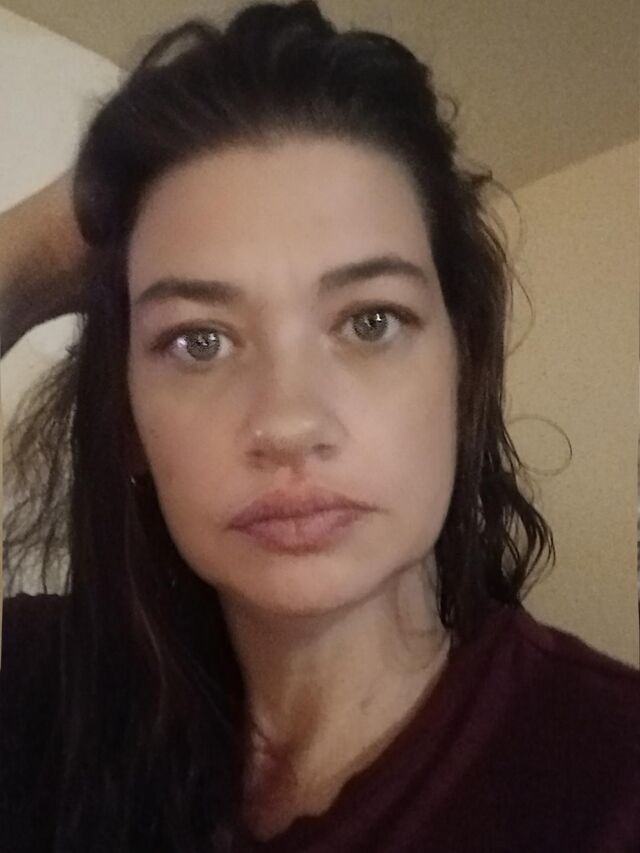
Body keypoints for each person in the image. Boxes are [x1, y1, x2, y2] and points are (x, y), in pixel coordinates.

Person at [1, 2, 638, 851]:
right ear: (128, 422)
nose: (289, 422)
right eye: (198, 340)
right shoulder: (40, 700)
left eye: (371, 321)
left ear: (462, 367)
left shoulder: (614, 781)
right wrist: (47, 245)